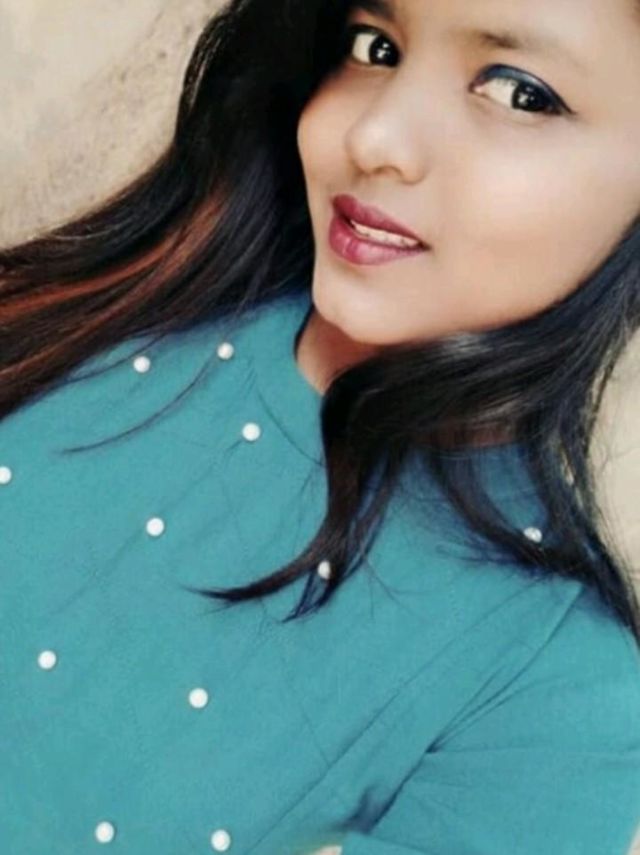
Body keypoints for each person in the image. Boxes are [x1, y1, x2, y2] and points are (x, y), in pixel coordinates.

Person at [0, 0, 639, 853]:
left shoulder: (552, 700)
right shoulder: (146, 285)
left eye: (519, 92)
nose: (374, 136)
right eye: (375, 46)